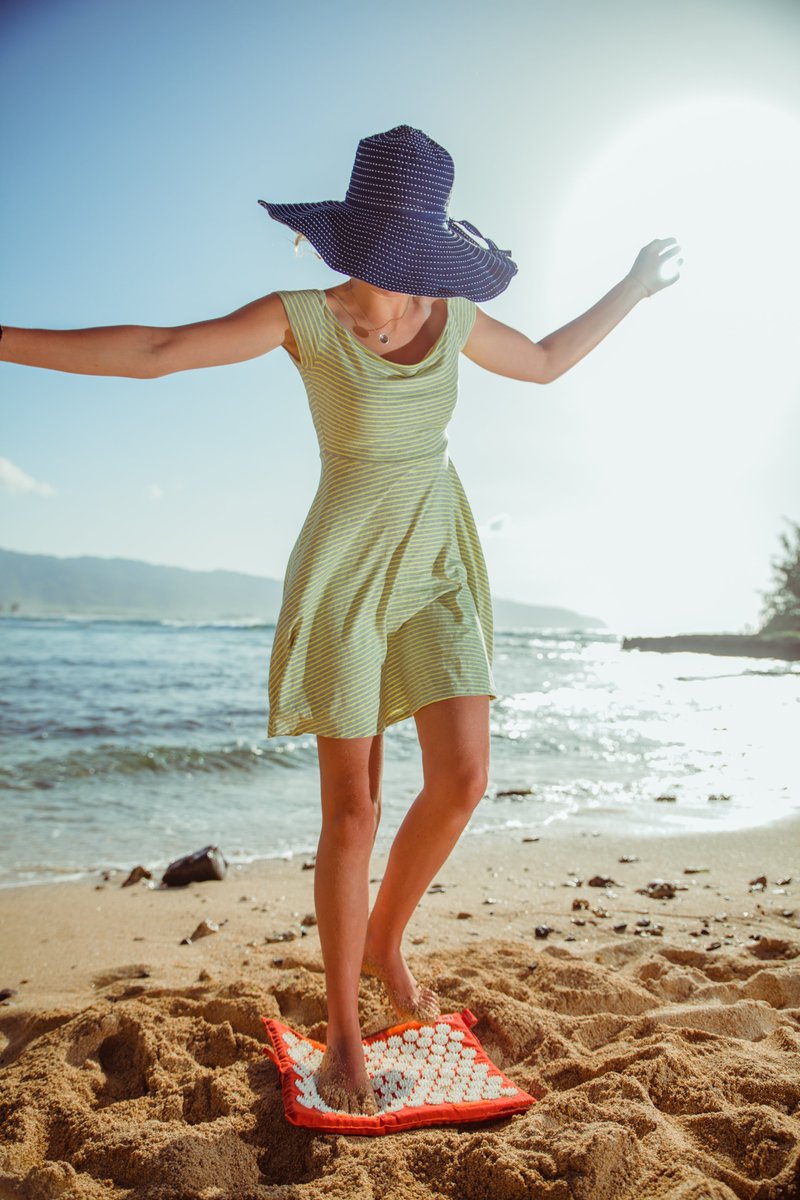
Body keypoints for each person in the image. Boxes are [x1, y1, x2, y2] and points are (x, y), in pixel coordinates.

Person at [0, 124, 682, 1115]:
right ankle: (345, 1033)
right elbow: (156, 350)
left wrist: (630, 285)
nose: (407, 282)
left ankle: (384, 941)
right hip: (346, 570)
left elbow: (537, 361)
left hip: (439, 558)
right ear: (358, 242)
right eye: (396, 257)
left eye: (420, 259)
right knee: (352, 810)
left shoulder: (448, 318)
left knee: (461, 777)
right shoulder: (301, 319)